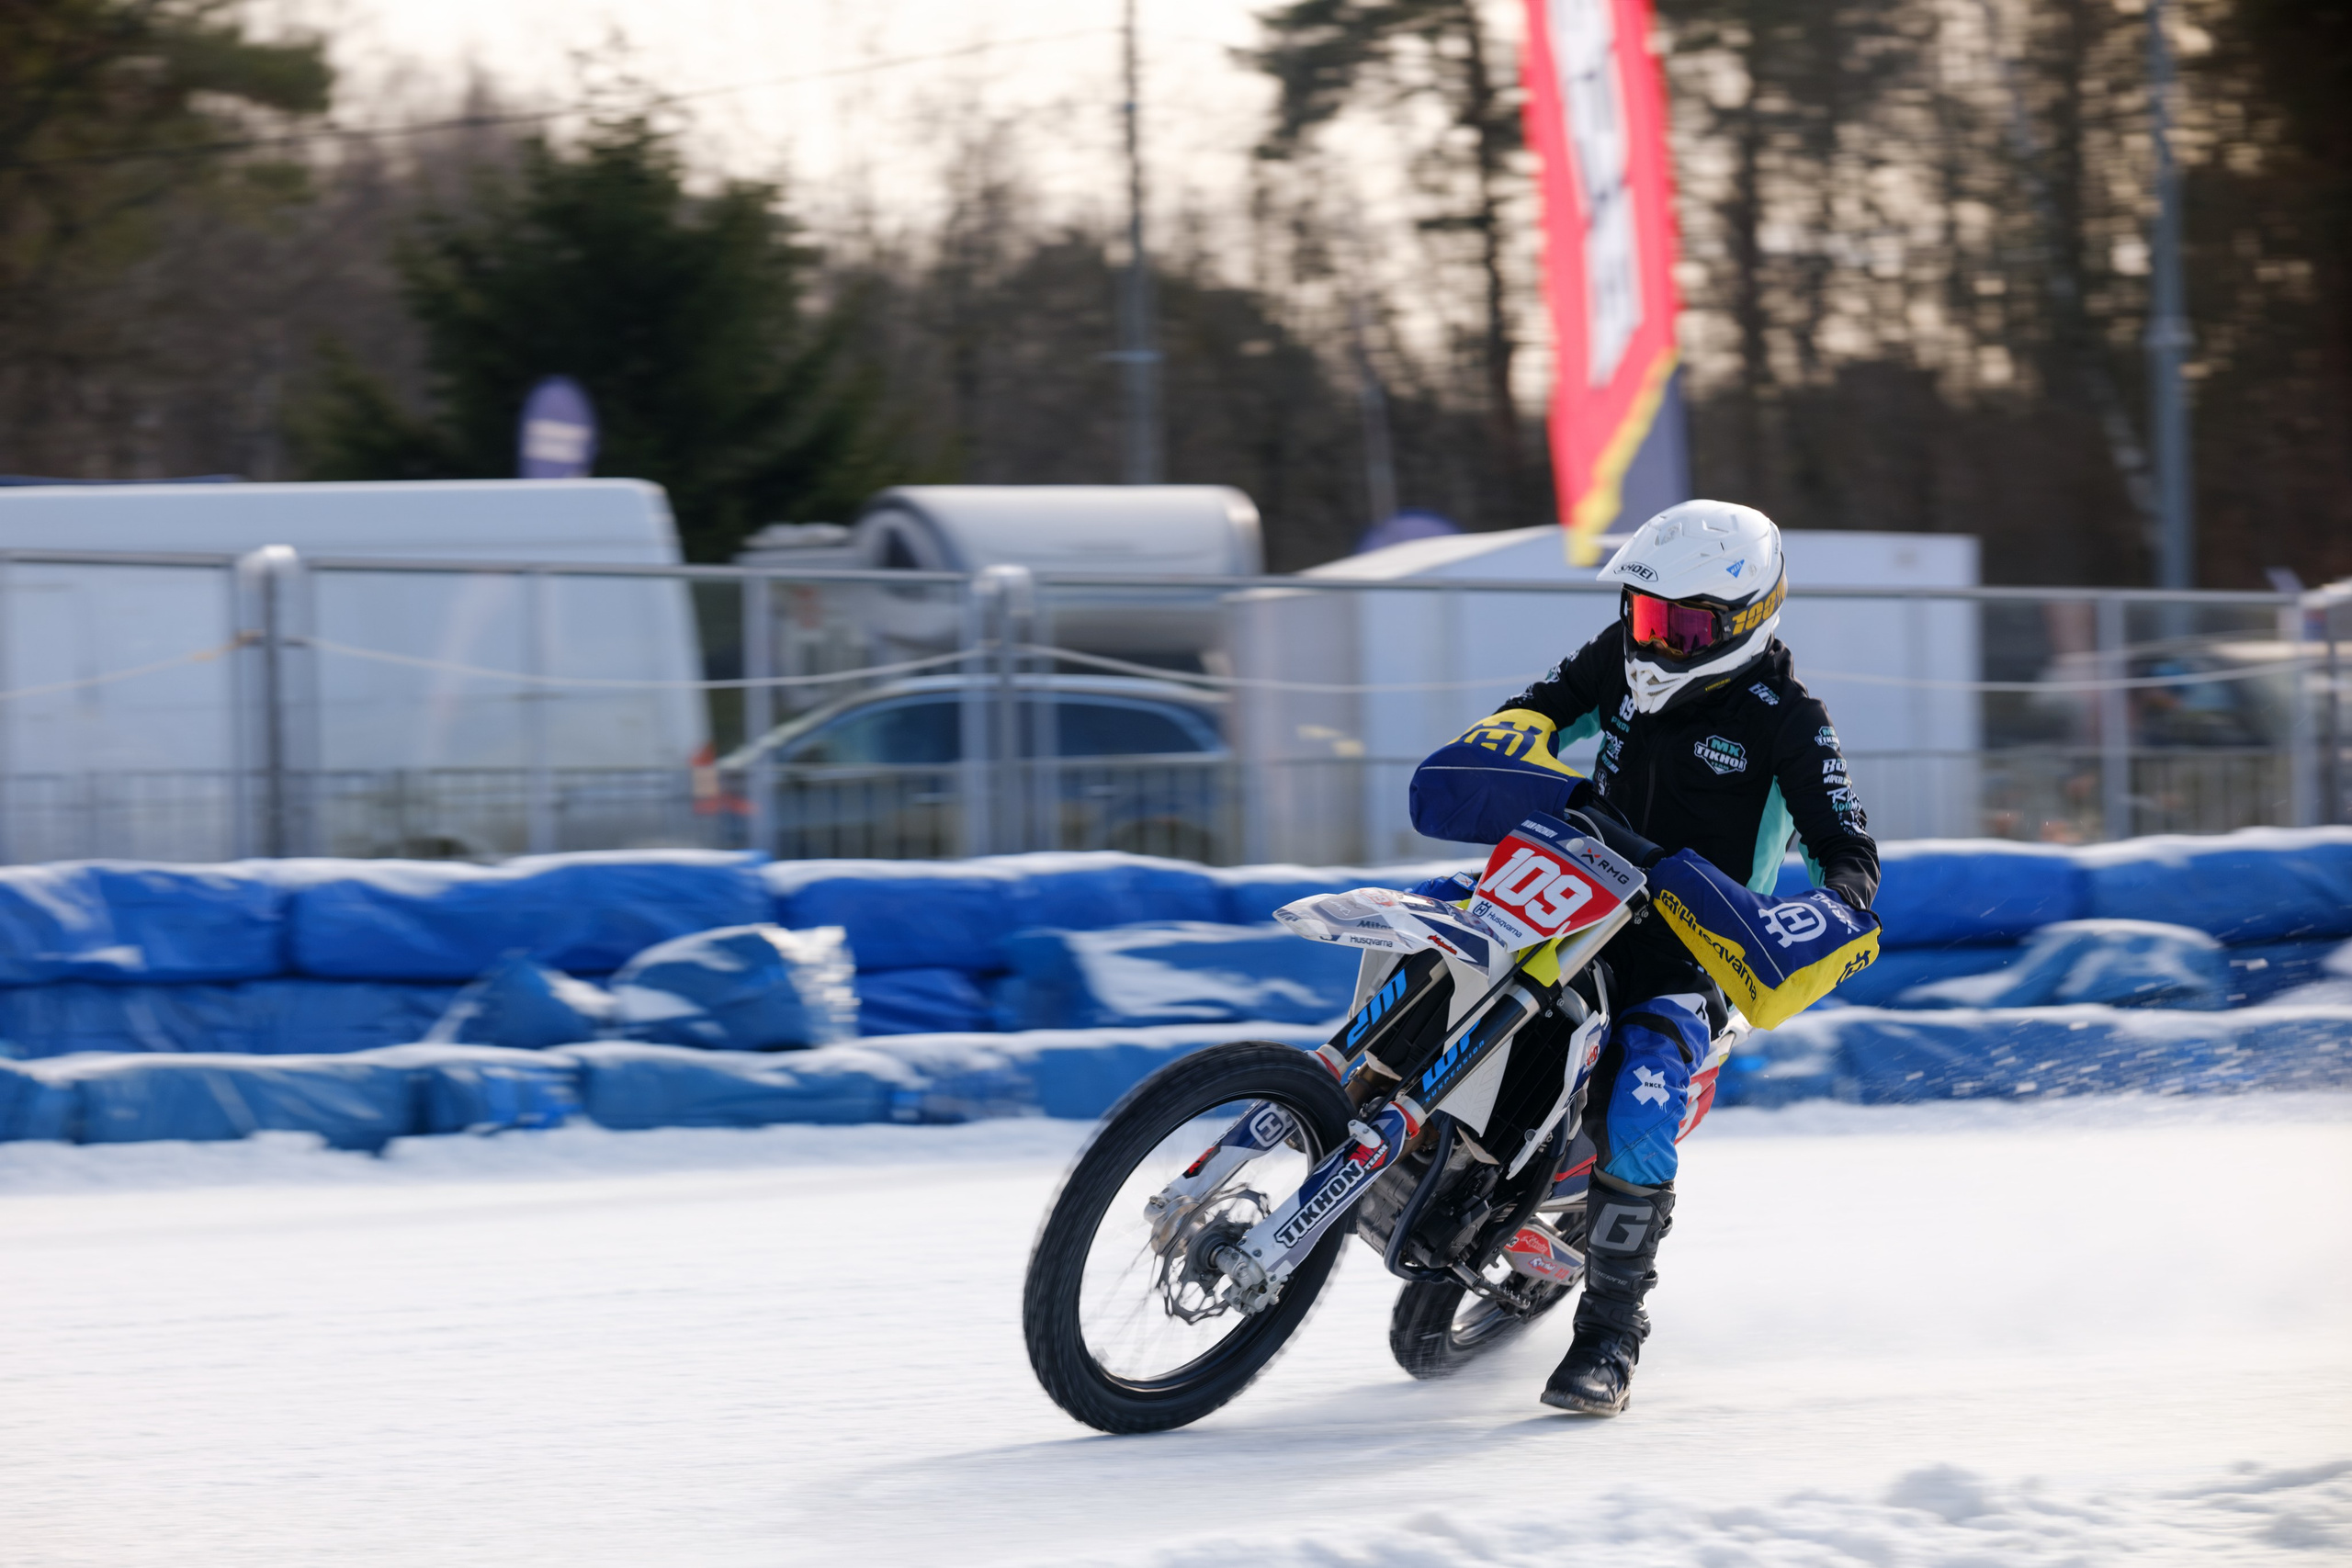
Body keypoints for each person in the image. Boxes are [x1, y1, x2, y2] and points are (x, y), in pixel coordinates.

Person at [1406, 499, 1880, 1416]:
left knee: (1640, 1092)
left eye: (1683, 626)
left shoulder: (1789, 719)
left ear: (1745, 623)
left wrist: (1833, 907)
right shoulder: (1616, 656)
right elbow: (1534, 712)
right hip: (1563, 883)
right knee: (1426, 931)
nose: (1654, 642)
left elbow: (1845, 845)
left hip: (1688, 945)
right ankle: (1341, 1097)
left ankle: (1611, 1334)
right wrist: (1505, 751)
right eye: (1645, 613)